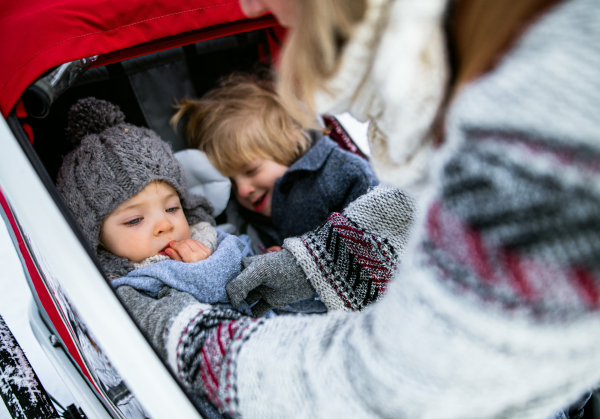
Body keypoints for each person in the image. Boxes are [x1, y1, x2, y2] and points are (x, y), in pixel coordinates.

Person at [121, 0, 600, 418]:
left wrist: (190, 336)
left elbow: (392, 383)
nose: (247, 7)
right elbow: (431, 209)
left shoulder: (546, 108)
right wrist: (312, 265)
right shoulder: (498, 76)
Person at [56, 97, 253, 314]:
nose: (165, 225)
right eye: (135, 220)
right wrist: (204, 272)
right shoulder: (123, 290)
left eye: (171, 208)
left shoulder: (208, 238)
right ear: (98, 239)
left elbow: (253, 271)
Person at [172, 75, 379, 250]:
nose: (243, 190)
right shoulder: (241, 214)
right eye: (232, 183)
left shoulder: (343, 174)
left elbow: (381, 231)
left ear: (289, 144)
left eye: (252, 170)